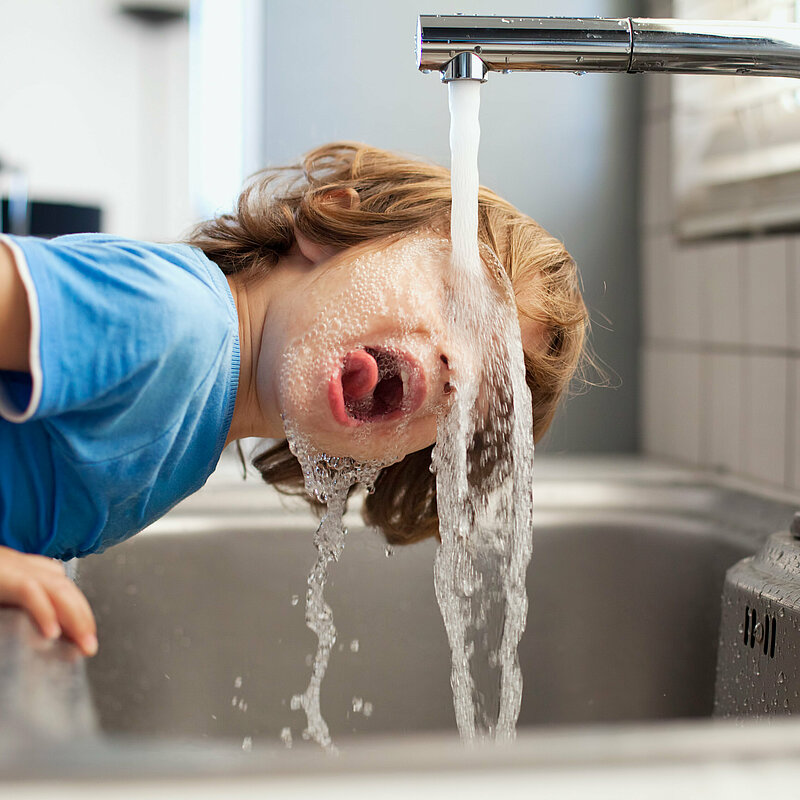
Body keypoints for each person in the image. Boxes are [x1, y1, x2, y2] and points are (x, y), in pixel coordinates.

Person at [0, 142, 588, 658]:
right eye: (458, 301)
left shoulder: (203, 415)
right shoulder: (178, 320)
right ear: (331, 226)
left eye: (477, 402)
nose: (459, 372)